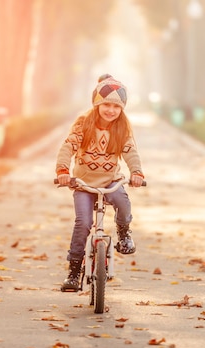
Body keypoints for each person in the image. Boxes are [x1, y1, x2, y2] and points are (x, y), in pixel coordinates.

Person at [55, 74, 145, 291]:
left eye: (116, 106)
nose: (111, 110)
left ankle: (124, 232)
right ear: (96, 103)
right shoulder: (84, 123)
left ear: (122, 108)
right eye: (106, 104)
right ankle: (74, 272)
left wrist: (137, 173)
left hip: (110, 182)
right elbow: (68, 147)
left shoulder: (122, 128)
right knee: (83, 223)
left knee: (122, 203)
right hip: (84, 184)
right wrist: (63, 171)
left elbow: (130, 152)